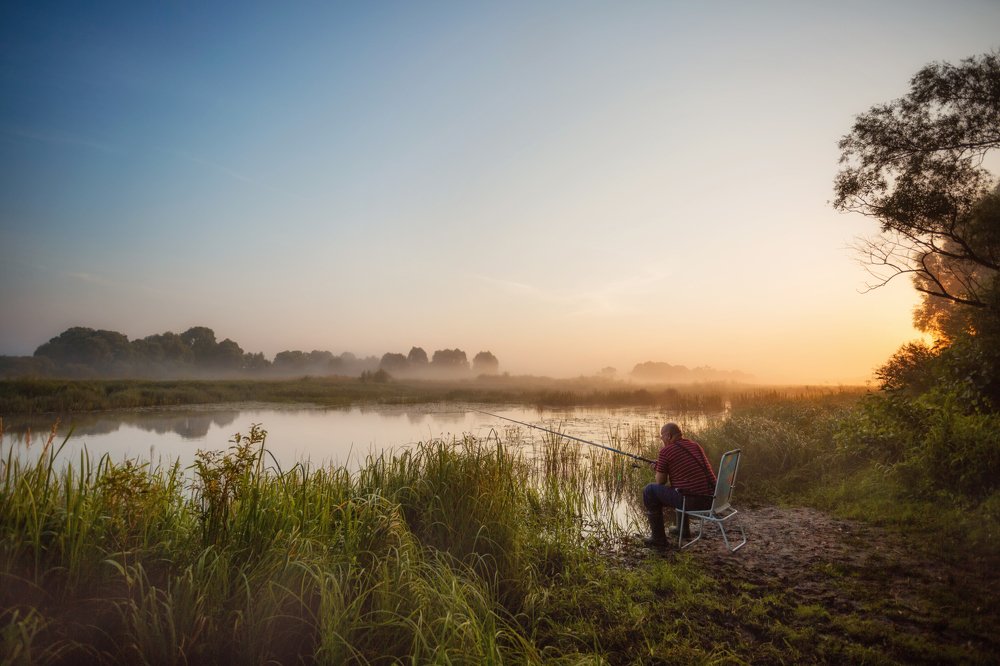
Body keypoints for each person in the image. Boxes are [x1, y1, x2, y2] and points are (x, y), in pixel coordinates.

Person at [642, 422, 717, 548]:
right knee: (683, 487)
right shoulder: (695, 445)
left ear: (669, 436)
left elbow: (660, 481)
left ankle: (658, 539)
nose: (662, 440)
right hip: (712, 498)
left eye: (662, 437)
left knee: (649, 490)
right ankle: (682, 529)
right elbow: (683, 471)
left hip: (694, 502)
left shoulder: (666, 451)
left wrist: (658, 469)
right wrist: (661, 465)